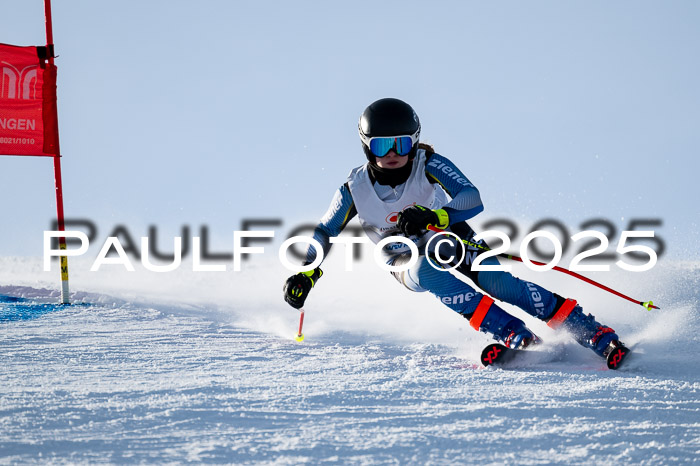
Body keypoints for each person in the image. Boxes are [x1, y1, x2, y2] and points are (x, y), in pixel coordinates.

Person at [283, 97, 627, 363]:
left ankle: (594, 333)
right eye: (381, 146)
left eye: (401, 144)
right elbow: (325, 231)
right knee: (425, 270)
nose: (392, 154)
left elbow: (472, 198)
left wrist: (437, 216)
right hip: (402, 257)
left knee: (498, 282)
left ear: (414, 142)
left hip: (449, 235)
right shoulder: (353, 189)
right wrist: (306, 272)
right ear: (365, 146)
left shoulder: (428, 163)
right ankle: (515, 335)